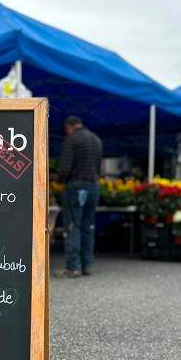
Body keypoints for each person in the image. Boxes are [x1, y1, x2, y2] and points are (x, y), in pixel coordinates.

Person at [56, 115, 102, 278]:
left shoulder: (72, 139)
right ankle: (87, 265)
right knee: (88, 227)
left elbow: (65, 168)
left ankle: (73, 267)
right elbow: (98, 168)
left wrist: (58, 179)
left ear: (69, 126)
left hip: (76, 186)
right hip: (93, 187)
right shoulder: (96, 139)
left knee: (73, 226)